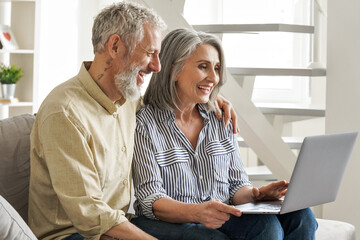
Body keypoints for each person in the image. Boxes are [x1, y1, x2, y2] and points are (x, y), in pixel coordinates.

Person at [28, 2, 237, 240]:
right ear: (115, 46)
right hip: (75, 233)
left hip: (118, 224)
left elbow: (169, 102)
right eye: (150, 53)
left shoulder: (128, 100)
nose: (157, 67)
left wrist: (213, 98)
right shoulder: (65, 112)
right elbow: (90, 213)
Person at [131, 28, 318, 240]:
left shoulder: (220, 119)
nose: (214, 78)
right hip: (167, 222)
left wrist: (256, 195)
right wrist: (198, 212)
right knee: (263, 231)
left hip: (217, 215)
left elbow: (237, 186)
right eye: (203, 67)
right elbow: (150, 200)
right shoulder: (145, 124)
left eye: (217, 68)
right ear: (174, 69)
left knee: (302, 216)